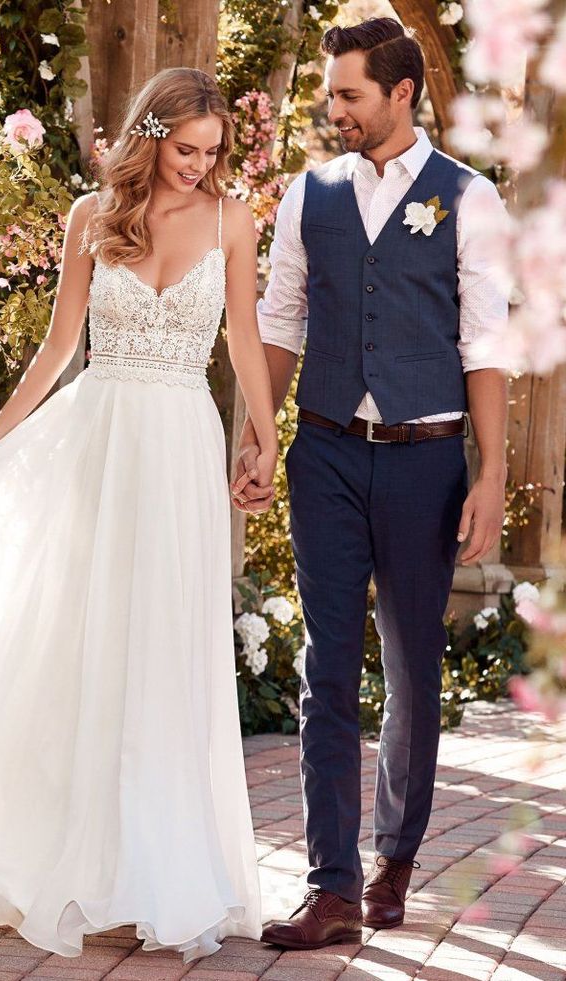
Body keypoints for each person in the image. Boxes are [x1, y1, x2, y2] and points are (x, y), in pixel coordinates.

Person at [0, 66, 278, 963]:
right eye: (185, 150)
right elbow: (61, 346)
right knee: (90, 644)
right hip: (100, 442)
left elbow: (244, 334)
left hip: (177, 446)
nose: (197, 168)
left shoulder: (230, 219)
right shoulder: (91, 218)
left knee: (167, 650)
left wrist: (265, 437)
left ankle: (157, 871)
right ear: (151, 133)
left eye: (212, 154)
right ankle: (82, 859)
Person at [232, 18, 510, 949]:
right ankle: (333, 884)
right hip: (326, 454)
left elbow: (486, 346)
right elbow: (279, 318)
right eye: (331, 92)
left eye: (349, 93)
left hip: (427, 457)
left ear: (401, 92)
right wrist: (260, 436)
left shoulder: (469, 200)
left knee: (411, 666)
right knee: (326, 666)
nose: (333, 109)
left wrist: (492, 472)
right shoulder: (307, 196)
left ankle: (395, 860)